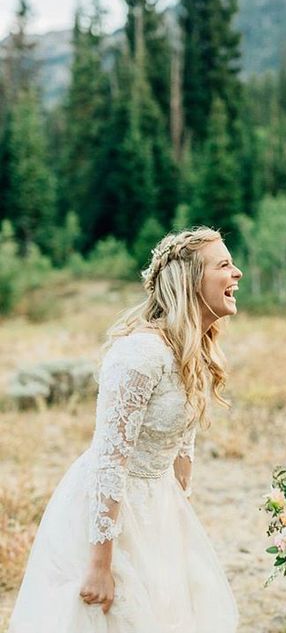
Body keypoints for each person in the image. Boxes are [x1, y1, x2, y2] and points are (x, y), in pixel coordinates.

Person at [9, 227, 242, 633]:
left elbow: (181, 441)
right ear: (189, 280)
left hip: (159, 507)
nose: (237, 273)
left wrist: (177, 515)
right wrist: (100, 563)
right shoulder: (139, 353)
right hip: (109, 514)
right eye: (223, 265)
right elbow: (109, 459)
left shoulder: (191, 350)